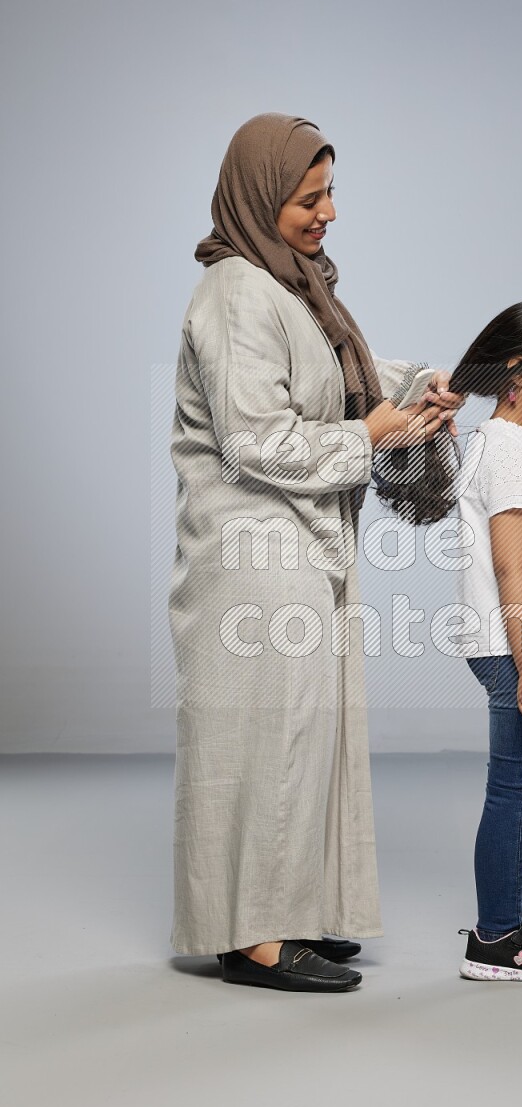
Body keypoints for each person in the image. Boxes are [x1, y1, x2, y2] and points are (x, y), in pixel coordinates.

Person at [168, 112, 463, 993]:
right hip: (250, 556)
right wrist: (371, 436)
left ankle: (291, 911)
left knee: (307, 736)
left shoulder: (292, 289)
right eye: (309, 195)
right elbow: (256, 437)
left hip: (300, 546)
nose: (328, 210)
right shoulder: (235, 293)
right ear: (262, 198)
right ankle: (252, 937)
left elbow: (335, 381)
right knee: (261, 742)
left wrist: (419, 389)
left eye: (331, 191)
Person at [377, 301, 522, 981]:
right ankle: (498, 937)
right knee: (514, 792)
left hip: (520, 645)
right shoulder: (509, 453)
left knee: (520, 792)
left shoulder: (510, 445)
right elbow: (512, 567)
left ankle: (521, 919)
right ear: (519, 374)